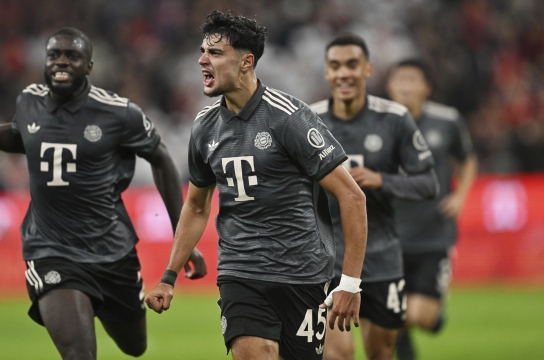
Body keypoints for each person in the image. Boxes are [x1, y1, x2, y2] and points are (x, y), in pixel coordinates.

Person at [0, 27, 207, 359]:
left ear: (89, 66)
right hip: (51, 249)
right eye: (54, 55)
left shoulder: (118, 113)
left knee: (135, 347)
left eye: (72, 56)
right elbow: (20, 136)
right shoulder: (29, 100)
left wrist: (182, 234)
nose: (61, 61)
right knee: (79, 354)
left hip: (111, 251)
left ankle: (99, 300)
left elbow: (160, 157)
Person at [145, 11, 368, 360]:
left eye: (216, 53)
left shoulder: (289, 117)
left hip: (302, 273)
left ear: (247, 62)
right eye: (203, 51)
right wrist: (169, 276)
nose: (203, 60)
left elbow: (352, 196)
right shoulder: (204, 126)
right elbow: (197, 205)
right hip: (240, 271)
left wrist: (350, 283)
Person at [310, 33, 439, 360]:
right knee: (337, 355)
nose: (344, 74)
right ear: (326, 72)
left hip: (382, 258)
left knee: (380, 354)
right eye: (335, 66)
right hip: (327, 261)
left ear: (367, 69)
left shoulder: (394, 119)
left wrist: (382, 180)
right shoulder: (307, 120)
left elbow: (428, 184)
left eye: (352, 65)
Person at [386, 59, 477, 360]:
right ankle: (404, 347)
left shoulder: (447, 120)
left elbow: (467, 160)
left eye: (413, 80)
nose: (406, 86)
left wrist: (461, 196)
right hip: (389, 236)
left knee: (419, 317)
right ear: (390, 86)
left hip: (433, 234)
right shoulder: (377, 123)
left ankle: (428, 319)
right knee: (391, 313)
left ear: (426, 87)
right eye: (400, 79)